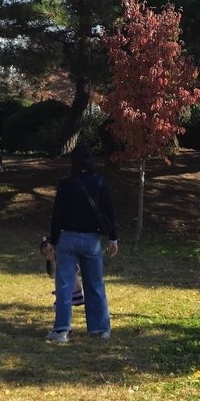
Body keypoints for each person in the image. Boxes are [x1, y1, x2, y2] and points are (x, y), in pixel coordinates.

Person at [42, 144, 118, 343]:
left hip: (67, 238)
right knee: (95, 283)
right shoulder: (100, 182)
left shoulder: (66, 183)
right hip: (92, 239)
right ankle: (100, 329)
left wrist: (53, 240)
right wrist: (113, 237)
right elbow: (109, 212)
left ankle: (61, 330)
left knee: (65, 284)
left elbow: (57, 215)